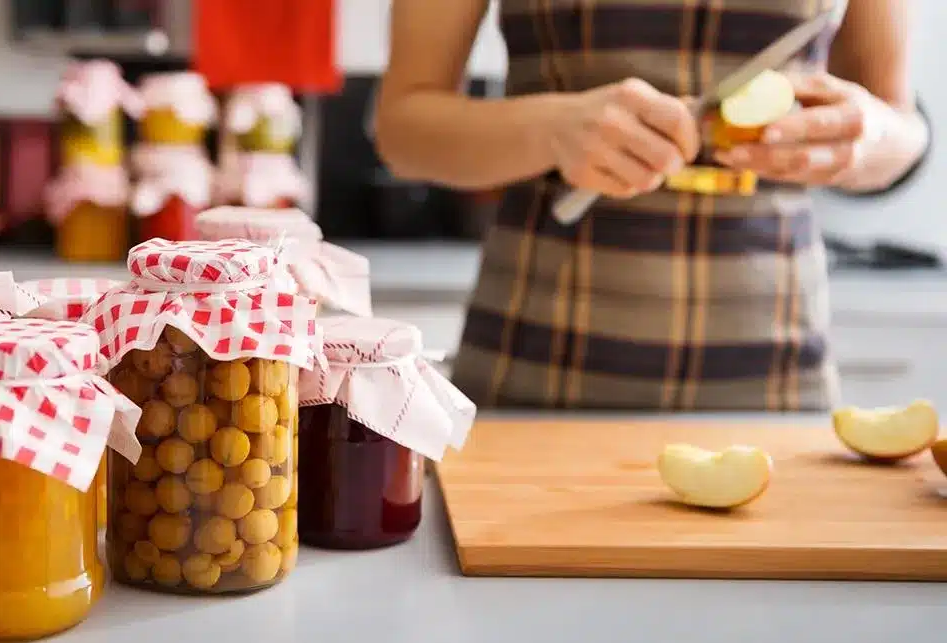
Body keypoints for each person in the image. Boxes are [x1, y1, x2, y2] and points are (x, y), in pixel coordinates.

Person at [374, 0, 929, 411]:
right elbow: (401, 129)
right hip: (532, 364)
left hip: (775, 371)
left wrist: (871, 136)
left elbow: (901, 129)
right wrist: (551, 129)